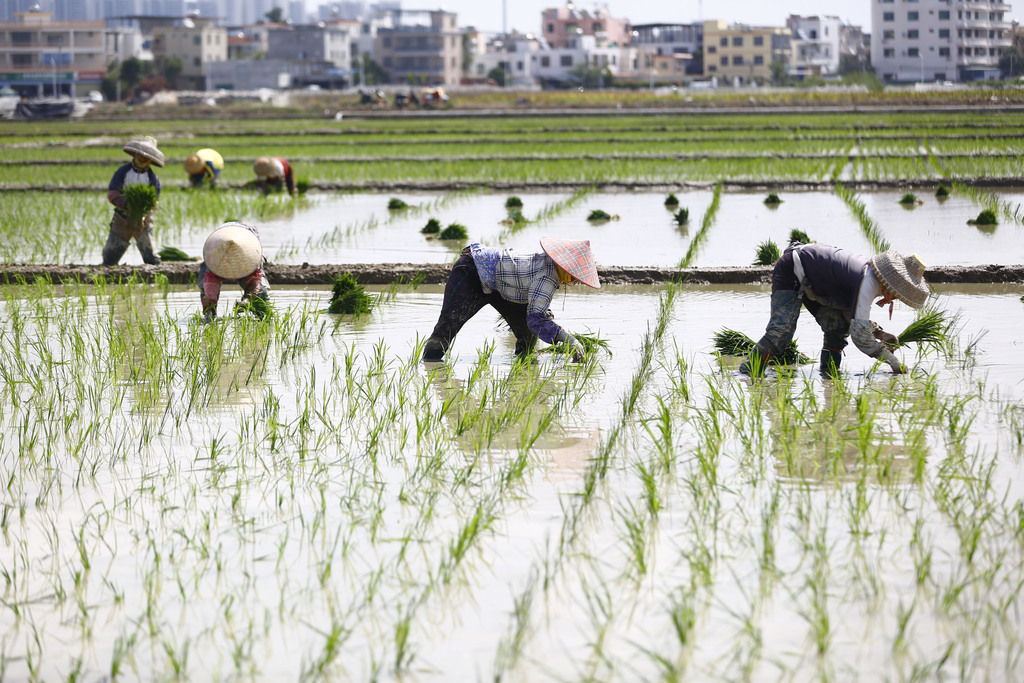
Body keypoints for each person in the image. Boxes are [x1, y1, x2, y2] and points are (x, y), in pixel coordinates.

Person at [740, 242, 930, 376]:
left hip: (816, 282)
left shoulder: (869, 276)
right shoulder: (868, 282)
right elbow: (860, 337)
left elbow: (853, 318)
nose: (896, 297)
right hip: (793, 269)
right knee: (781, 331)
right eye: (898, 291)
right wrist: (893, 362)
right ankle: (748, 372)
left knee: (838, 326)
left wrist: (880, 334)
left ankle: (829, 374)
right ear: (892, 283)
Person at [422, 237, 600, 362]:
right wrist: (570, 340)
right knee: (447, 326)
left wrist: (549, 320)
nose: (575, 281)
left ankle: (522, 377)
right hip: (472, 271)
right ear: (565, 268)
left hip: (504, 287)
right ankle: (430, 364)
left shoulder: (548, 267)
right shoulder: (548, 276)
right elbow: (536, 319)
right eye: (575, 277)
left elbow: (536, 310)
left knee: (528, 338)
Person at [103, 136, 163, 265]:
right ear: (135, 155)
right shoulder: (123, 172)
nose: (142, 159)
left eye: (146, 158)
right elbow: (113, 193)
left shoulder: (152, 178)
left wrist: (145, 212)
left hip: (143, 220)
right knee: (110, 257)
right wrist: (125, 204)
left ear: (150, 160)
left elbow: (154, 201)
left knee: (151, 257)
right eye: (140, 155)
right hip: (122, 218)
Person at [198, 221, 270, 322]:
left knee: (261, 291)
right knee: (207, 293)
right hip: (218, 256)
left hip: (244, 257)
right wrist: (210, 303)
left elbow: (255, 282)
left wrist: (247, 299)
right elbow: (210, 289)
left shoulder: (250, 254)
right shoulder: (214, 257)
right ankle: (209, 316)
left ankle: (262, 317)